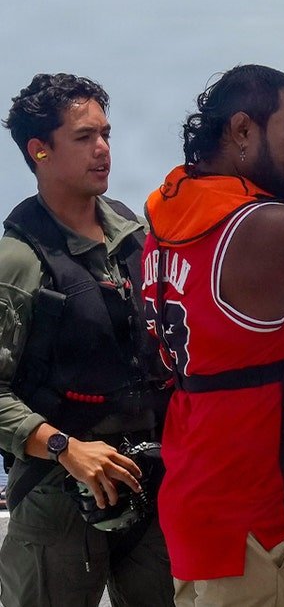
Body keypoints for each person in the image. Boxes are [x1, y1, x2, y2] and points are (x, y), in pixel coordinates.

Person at [142, 64, 284, 606]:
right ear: (243, 130)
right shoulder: (266, 228)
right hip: (261, 526)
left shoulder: (169, 217)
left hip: (198, 502)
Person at [0, 73, 174, 606]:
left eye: (106, 134)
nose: (102, 149)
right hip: (59, 496)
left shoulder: (136, 237)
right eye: (83, 137)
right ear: (40, 150)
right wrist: (65, 448)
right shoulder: (18, 263)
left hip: (152, 483)